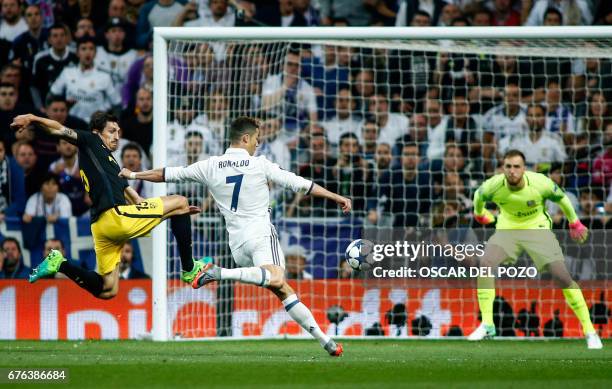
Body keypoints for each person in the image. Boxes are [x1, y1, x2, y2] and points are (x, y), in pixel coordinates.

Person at [121, 116, 351, 356]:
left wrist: (135, 176)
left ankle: (326, 342)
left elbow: (169, 174)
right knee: (276, 277)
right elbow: (301, 184)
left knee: (282, 289)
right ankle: (218, 272)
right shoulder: (261, 164)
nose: (257, 145)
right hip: (261, 235)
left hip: (237, 245)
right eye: (257, 140)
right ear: (245, 138)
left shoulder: (209, 165)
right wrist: (337, 197)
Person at [10, 111, 208, 300]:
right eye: (112, 131)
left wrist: (175, 212)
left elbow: (137, 201)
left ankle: (60, 264)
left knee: (108, 289)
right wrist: (32, 118)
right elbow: (58, 129)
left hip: (100, 226)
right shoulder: (90, 140)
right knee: (181, 200)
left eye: (119, 132)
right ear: (98, 132)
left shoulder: (111, 164)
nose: (117, 136)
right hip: (115, 218)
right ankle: (190, 269)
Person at [468, 149, 602, 349]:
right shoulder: (493, 185)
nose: (512, 171)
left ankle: (590, 331)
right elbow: (478, 196)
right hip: (508, 230)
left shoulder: (540, 182)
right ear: (503, 168)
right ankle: (487, 324)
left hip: (537, 229)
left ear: (524, 169)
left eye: (516, 167)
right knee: (486, 263)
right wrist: (480, 214)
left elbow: (562, 199)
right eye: (508, 167)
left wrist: (575, 223)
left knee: (562, 277)